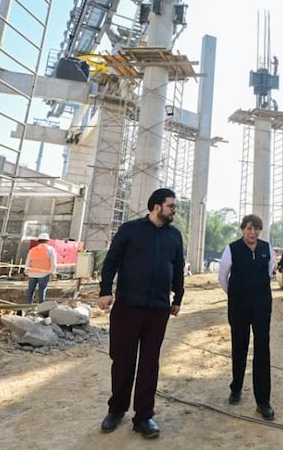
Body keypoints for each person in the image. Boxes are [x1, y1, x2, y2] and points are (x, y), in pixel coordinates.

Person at [97, 188, 185, 439]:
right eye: (171, 206)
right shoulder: (130, 230)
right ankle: (116, 410)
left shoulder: (174, 236)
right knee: (123, 360)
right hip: (127, 306)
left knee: (149, 364)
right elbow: (111, 261)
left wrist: (178, 297)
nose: (174, 211)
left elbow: (177, 267)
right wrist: (105, 291)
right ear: (157, 207)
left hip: (158, 309)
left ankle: (144, 416)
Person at [218, 214, 276, 420]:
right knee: (239, 345)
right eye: (249, 228)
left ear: (260, 230)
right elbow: (222, 277)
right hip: (239, 307)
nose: (252, 233)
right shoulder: (231, 249)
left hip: (261, 307)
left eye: (256, 229)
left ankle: (263, 401)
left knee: (262, 349)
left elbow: (269, 273)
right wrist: (236, 295)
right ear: (242, 229)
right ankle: (236, 387)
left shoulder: (266, 248)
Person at [25, 232, 57, 304]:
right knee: (42, 291)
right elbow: (53, 263)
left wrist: (26, 273)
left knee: (30, 291)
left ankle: (27, 307)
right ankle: (41, 308)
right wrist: (53, 272)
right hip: (44, 274)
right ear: (47, 241)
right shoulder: (50, 249)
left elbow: (27, 262)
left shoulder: (32, 250)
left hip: (32, 274)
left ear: (38, 240)